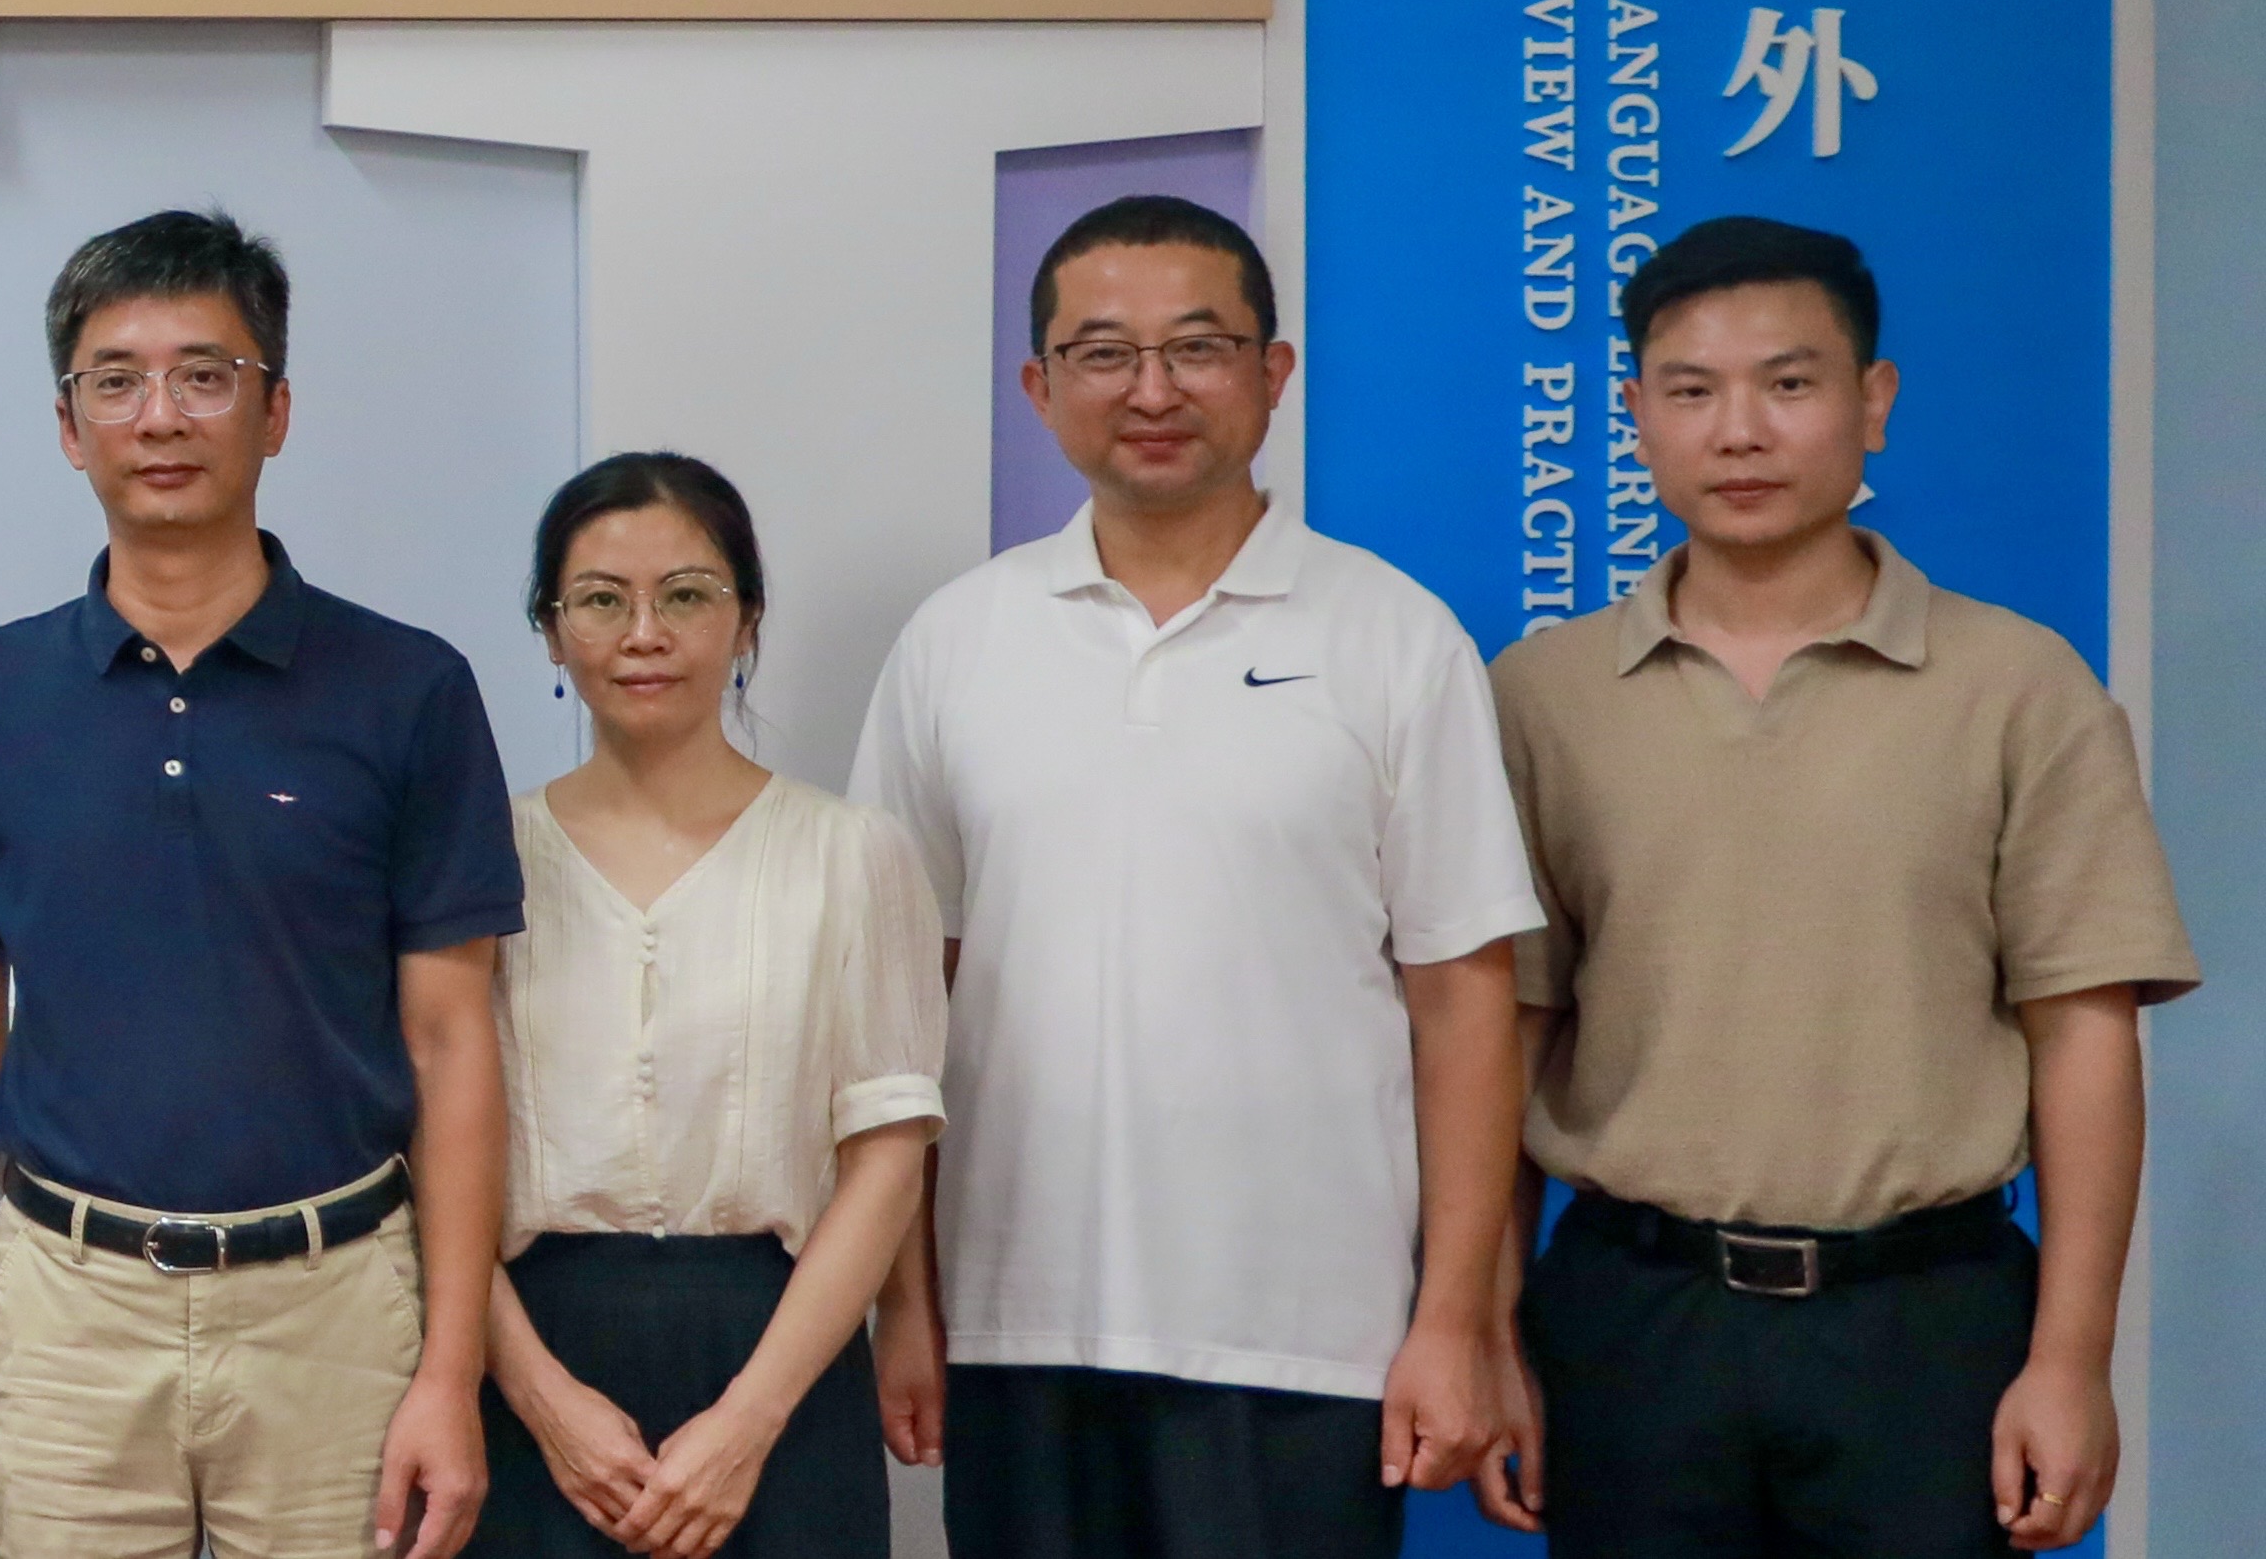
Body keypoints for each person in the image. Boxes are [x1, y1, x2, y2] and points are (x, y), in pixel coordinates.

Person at [1483, 217, 2194, 1556]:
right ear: (1635, 416)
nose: (1738, 431)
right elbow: (1503, 1034)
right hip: (1633, 1321)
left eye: (1788, 382)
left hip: (1924, 1326)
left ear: (1873, 400)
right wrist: (1485, 1325)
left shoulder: (2015, 684)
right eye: (1691, 389)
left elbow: (2084, 1033)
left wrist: (2070, 1360)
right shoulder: (1541, 695)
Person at [846, 194, 1532, 1559]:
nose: (1151, 390)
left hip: (1303, 1339)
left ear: (1272, 373)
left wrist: (1454, 1318)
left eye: (1197, 348)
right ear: (1039, 387)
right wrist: (904, 1300)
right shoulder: (955, 642)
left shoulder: (1394, 637)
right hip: (1015, 1323)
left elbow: (1467, 1001)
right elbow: (896, 1001)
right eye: (1103, 353)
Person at [0, 210, 515, 1559]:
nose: (160, 416)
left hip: (337, 1308)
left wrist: (450, 1369)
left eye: (205, 375)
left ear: (275, 409)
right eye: (115, 380)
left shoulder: (408, 689)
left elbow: (451, 1035)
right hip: (65, 1312)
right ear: (68, 426)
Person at [480, 454, 944, 1559]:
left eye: (685, 594)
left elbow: (886, 1152)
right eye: (600, 600)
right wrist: (541, 1398)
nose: (644, 633)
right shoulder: (479, 857)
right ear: (550, 632)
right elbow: (421, 1149)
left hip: (781, 1356)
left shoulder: (851, 852)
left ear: (747, 620)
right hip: (528, 1358)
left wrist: (747, 1422)